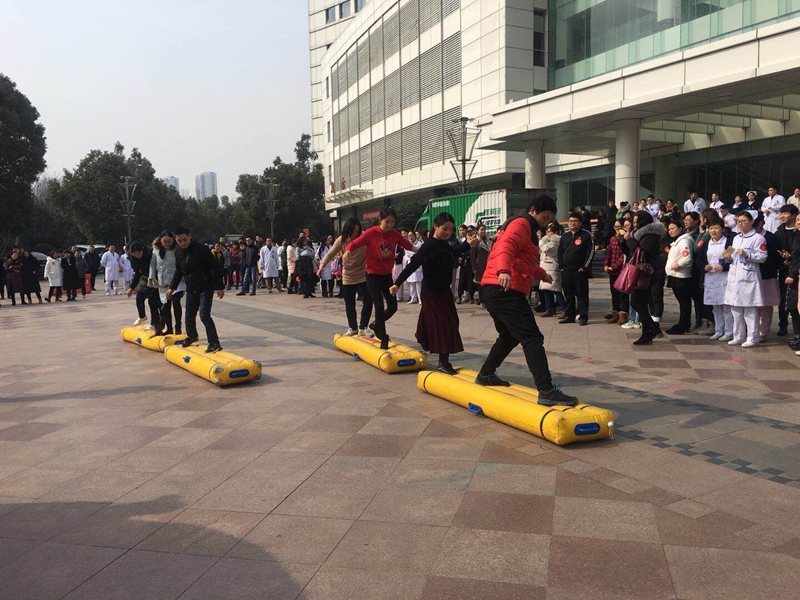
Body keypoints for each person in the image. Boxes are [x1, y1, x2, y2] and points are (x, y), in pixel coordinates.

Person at [474, 195, 577, 405]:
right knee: (532, 337)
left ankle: (486, 374)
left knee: (509, 336)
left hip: (496, 290)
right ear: (532, 211)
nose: (546, 223)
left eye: (549, 220)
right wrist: (503, 270)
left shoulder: (525, 227)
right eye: (544, 217)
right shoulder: (521, 224)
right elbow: (505, 247)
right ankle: (546, 390)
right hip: (505, 290)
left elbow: (523, 261)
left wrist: (542, 274)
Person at [390, 212, 469, 374]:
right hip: (431, 291)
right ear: (435, 226)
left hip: (444, 290)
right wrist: (397, 283)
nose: (448, 232)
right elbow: (413, 265)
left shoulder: (445, 244)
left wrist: (468, 244)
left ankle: (423, 337)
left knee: (449, 320)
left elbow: (453, 253)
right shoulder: (428, 246)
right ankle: (443, 362)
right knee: (444, 323)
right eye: (444, 229)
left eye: (450, 229)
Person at [343, 207, 416, 349]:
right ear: (380, 220)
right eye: (387, 221)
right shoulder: (371, 233)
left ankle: (376, 324)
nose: (390, 225)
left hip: (387, 276)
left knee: (393, 306)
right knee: (379, 305)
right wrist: (348, 252)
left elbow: (408, 245)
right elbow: (354, 243)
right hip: (373, 276)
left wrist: (424, 251)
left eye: (392, 222)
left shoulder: (394, 234)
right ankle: (383, 338)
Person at [167, 225, 225, 353]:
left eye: (185, 240)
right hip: (191, 288)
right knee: (189, 315)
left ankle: (214, 343)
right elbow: (179, 271)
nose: (183, 243)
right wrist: (172, 288)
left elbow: (215, 267)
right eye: (179, 241)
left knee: (204, 315)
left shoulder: (201, 249)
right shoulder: (178, 252)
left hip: (205, 286)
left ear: (190, 236)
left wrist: (220, 287)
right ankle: (192, 336)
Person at [318, 218, 374, 337]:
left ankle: (363, 327)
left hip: (363, 273)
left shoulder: (364, 236)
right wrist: (321, 266)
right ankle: (353, 327)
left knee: (369, 300)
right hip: (348, 275)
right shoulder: (341, 240)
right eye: (352, 232)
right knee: (349, 303)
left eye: (357, 231)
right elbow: (330, 254)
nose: (355, 234)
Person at [724, 211, 767, 347]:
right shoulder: (736, 238)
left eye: (744, 221)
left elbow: (762, 257)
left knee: (750, 310)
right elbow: (732, 254)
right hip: (734, 277)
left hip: (749, 278)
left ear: (752, 221)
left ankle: (752, 338)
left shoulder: (758, 238)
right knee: (735, 309)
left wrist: (748, 254)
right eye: (738, 222)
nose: (741, 224)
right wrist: (728, 257)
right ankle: (738, 336)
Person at [625, 211, 666, 345]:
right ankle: (650, 330)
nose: (634, 223)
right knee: (637, 302)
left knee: (638, 302)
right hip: (638, 272)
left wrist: (629, 239)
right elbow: (630, 252)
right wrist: (624, 240)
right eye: (633, 221)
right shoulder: (636, 234)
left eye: (637, 221)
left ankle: (650, 330)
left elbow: (642, 251)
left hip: (647, 273)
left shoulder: (650, 234)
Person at [696, 220, 734, 341]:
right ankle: (718, 330)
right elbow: (699, 260)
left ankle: (729, 331)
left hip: (725, 277)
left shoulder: (729, 242)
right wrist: (704, 266)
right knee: (716, 306)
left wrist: (724, 266)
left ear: (723, 229)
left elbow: (732, 259)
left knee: (726, 306)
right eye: (711, 228)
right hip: (711, 278)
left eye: (716, 228)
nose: (713, 231)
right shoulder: (707, 244)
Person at [558, 212, 594, 326]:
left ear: (580, 223)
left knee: (581, 295)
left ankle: (583, 316)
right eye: (570, 221)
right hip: (566, 270)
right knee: (568, 295)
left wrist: (584, 267)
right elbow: (560, 252)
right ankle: (569, 315)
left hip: (580, 270)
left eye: (575, 221)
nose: (572, 223)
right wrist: (561, 267)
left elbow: (590, 252)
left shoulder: (586, 235)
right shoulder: (565, 236)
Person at [754, 213, 782, 342]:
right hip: (750, 275)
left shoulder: (771, 238)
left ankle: (763, 332)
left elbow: (776, 258)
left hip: (767, 276)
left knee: (765, 305)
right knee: (752, 305)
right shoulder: (741, 237)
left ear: (760, 222)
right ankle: (752, 329)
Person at [151, 231, 185, 335]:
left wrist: (184, 274)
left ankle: (178, 327)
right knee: (166, 306)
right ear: (160, 240)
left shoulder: (177, 250)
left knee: (176, 301)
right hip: (163, 282)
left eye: (169, 241)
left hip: (177, 281)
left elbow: (183, 263)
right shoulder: (156, 250)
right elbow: (152, 265)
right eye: (164, 241)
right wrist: (152, 277)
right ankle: (169, 328)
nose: (167, 244)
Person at [665, 220, 695, 335]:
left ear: (680, 228)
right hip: (675, 275)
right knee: (682, 302)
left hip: (681, 276)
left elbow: (687, 258)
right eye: (669, 229)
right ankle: (683, 323)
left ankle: (683, 324)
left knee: (684, 302)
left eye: (673, 228)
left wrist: (677, 265)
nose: (671, 231)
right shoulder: (677, 242)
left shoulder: (683, 241)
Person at [126, 241, 162, 332]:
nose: (137, 256)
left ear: (142, 250)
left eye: (139, 253)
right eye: (135, 254)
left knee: (152, 302)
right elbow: (137, 273)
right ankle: (142, 316)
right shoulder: (133, 259)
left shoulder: (150, 254)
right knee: (139, 297)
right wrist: (131, 287)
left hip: (155, 278)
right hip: (144, 278)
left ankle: (154, 323)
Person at [777, 204, 799, 337]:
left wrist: (792, 259)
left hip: (796, 270)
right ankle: (783, 325)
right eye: (781, 213)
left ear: (794, 215)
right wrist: (783, 261)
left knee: (795, 301)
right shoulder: (779, 231)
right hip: (784, 270)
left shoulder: (797, 232)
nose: (782, 216)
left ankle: (797, 331)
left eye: (785, 213)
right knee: (783, 298)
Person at [603, 220, 629, 324]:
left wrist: (614, 267)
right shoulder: (613, 239)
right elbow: (608, 253)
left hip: (622, 270)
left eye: (619, 227)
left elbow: (624, 255)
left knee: (623, 294)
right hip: (612, 272)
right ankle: (615, 313)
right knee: (614, 293)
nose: (617, 229)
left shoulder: (626, 239)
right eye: (616, 227)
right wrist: (606, 264)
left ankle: (624, 314)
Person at [539, 222, 566, 318]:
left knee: (556, 289)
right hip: (546, 267)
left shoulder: (556, 241)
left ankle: (564, 309)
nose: (548, 233)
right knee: (546, 290)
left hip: (552, 267)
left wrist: (542, 240)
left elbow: (546, 249)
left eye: (550, 232)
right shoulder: (549, 241)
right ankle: (549, 309)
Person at [785, 212, 800, 351]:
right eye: (797, 220)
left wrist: (793, 274)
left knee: (796, 307)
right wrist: (789, 257)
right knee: (792, 306)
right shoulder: (796, 236)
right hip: (794, 274)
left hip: (797, 276)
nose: (798, 222)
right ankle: (797, 336)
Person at [470, 223, 493, 307]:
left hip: (488, 264)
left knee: (488, 283)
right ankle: (482, 300)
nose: (483, 231)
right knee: (480, 284)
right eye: (481, 230)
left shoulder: (489, 240)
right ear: (477, 231)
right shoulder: (476, 242)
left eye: (484, 230)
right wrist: (474, 267)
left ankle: (487, 300)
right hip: (480, 266)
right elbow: (473, 255)